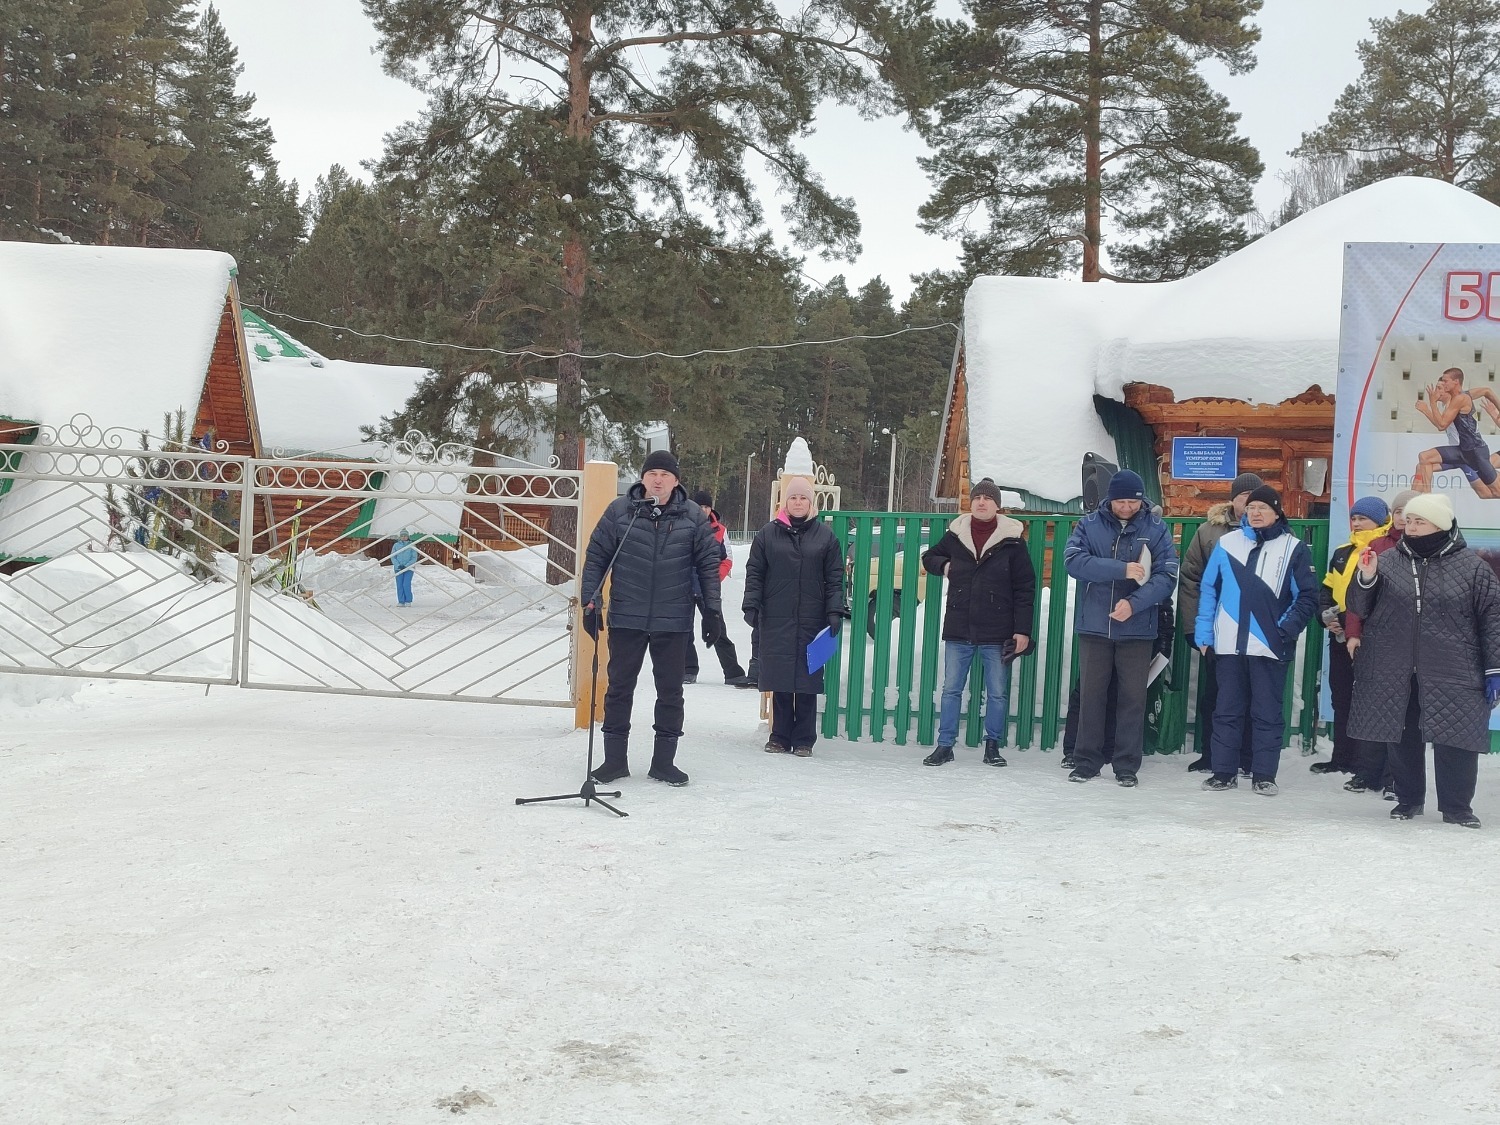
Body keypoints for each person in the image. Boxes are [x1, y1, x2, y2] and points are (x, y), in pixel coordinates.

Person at [1347, 493, 1500, 828]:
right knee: (1401, 735)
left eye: (1420, 521)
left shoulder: (1473, 568)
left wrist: (1494, 668)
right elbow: (1358, 607)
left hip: (1455, 667)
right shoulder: (1387, 561)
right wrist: (1366, 578)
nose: (1411, 525)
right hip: (1395, 666)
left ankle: (1457, 808)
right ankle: (1408, 800)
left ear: (1440, 525)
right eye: (1409, 519)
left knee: (1457, 738)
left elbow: (1493, 620)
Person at [580, 450, 723, 787]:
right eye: (652, 473)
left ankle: (664, 762)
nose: (658, 480)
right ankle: (614, 761)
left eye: (665, 475)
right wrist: (591, 602)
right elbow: (597, 557)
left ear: (676, 481)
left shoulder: (692, 516)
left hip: (673, 619)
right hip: (627, 616)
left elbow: (707, 566)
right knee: (619, 688)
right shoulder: (620, 512)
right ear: (643, 477)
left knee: (670, 691)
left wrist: (712, 611)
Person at [1195, 485, 1318, 795]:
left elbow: (1307, 596)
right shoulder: (1227, 543)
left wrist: (1284, 630)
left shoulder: (1294, 548)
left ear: (1277, 512)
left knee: (1266, 714)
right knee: (1226, 711)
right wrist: (1204, 632)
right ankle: (1223, 772)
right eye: (1252, 508)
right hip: (1228, 645)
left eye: (1263, 508)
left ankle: (1264, 775)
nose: (1256, 513)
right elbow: (1209, 589)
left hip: (1270, 646)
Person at [1062, 469, 1179, 787]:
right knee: (1091, 696)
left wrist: (1134, 604)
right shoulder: (1088, 525)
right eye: (1120, 501)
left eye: (1133, 502)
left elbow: (1167, 576)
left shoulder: (1156, 528)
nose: (1126, 507)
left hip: (1137, 629)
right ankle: (1086, 761)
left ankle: (1126, 765)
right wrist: (1121, 569)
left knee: (1132, 699)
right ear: (1110, 499)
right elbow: (1073, 561)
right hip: (1095, 627)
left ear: (1142, 500)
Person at [919, 477, 1036, 766]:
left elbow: (1025, 588)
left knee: (996, 693)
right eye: (977, 498)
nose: (982, 502)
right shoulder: (957, 534)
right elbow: (929, 557)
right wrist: (946, 565)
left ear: (997, 506)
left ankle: (992, 746)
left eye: (988, 498)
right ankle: (945, 746)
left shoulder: (1012, 541)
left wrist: (1022, 630)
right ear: (971, 503)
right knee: (951, 690)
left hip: (997, 630)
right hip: (959, 626)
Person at [743, 476, 845, 756]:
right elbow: (755, 572)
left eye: (803, 498)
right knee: (780, 678)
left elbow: (834, 578)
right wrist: (751, 604)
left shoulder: (825, 537)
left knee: (808, 680)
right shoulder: (768, 534)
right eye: (793, 498)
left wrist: (834, 610)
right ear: (785, 502)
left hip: (813, 619)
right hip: (776, 617)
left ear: (811, 503)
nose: (798, 503)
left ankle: (804, 740)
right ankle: (779, 736)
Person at [1177, 472, 1262, 772]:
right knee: (1215, 694)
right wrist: (1193, 627)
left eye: (1255, 498)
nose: (1249, 504)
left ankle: (1248, 758)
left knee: (1255, 695)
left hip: (1257, 630)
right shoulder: (1208, 532)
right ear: (1233, 499)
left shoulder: (1274, 531)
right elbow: (1191, 579)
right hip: (1218, 629)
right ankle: (1211, 754)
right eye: (1244, 497)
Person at [1334, 490, 1415, 794]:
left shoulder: (1428, 548)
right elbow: (1358, 595)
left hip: (1413, 643)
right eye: (1398, 512)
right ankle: (1367, 773)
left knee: (1405, 715)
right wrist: (1354, 633)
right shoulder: (1377, 546)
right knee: (1372, 708)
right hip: (1376, 640)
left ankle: (1394, 778)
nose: (1403, 518)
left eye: (1410, 512)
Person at [1315, 495, 1390, 781]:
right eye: (1354, 518)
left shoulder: (1388, 550)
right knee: (1341, 696)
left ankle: (1367, 764)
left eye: (1363, 518)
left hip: (1373, 636)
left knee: (1370, 701)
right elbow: (1327, 589)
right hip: (1340, 634)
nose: (1356, 523)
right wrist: (1326, 615)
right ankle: (1342, 757)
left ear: (1379, 521)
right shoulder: (1342, 552)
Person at [684, 489, 750, 686]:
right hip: (684, 586)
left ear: (711, 508)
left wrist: (714, 578)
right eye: (700, 506)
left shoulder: (720, 530)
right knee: (684, 630)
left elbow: (727, 559)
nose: (703, 510)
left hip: (708, 588)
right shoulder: (682, 527)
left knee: (718, 629)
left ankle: (733, 672)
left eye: (706, 506)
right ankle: (688, 670)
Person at [1414, 367, 1500, 498]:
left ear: (1456, 382)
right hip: (1461, 451)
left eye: (1445, 382)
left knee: (1491, 493)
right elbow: (1486, 391)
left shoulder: (1460, 399)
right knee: (1424, 458)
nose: (1441, 386)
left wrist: (1431, 404)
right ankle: (1425, 499)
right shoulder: (1461, 397)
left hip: (1475, 452)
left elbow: (1441, 425)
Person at [391, 529, 418, 607]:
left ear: (408, 536)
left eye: (405, 536)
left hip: (409, 568)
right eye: (402, 536)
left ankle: (408, 600)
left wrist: (406, 565)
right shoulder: (396, 545)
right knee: (399, 585)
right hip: (398, 568)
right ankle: (401, 601)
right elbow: (393, 556)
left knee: (406, 584)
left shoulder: (412, 545)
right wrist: (398, 565)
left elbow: (414, 557)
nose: (403, 537)